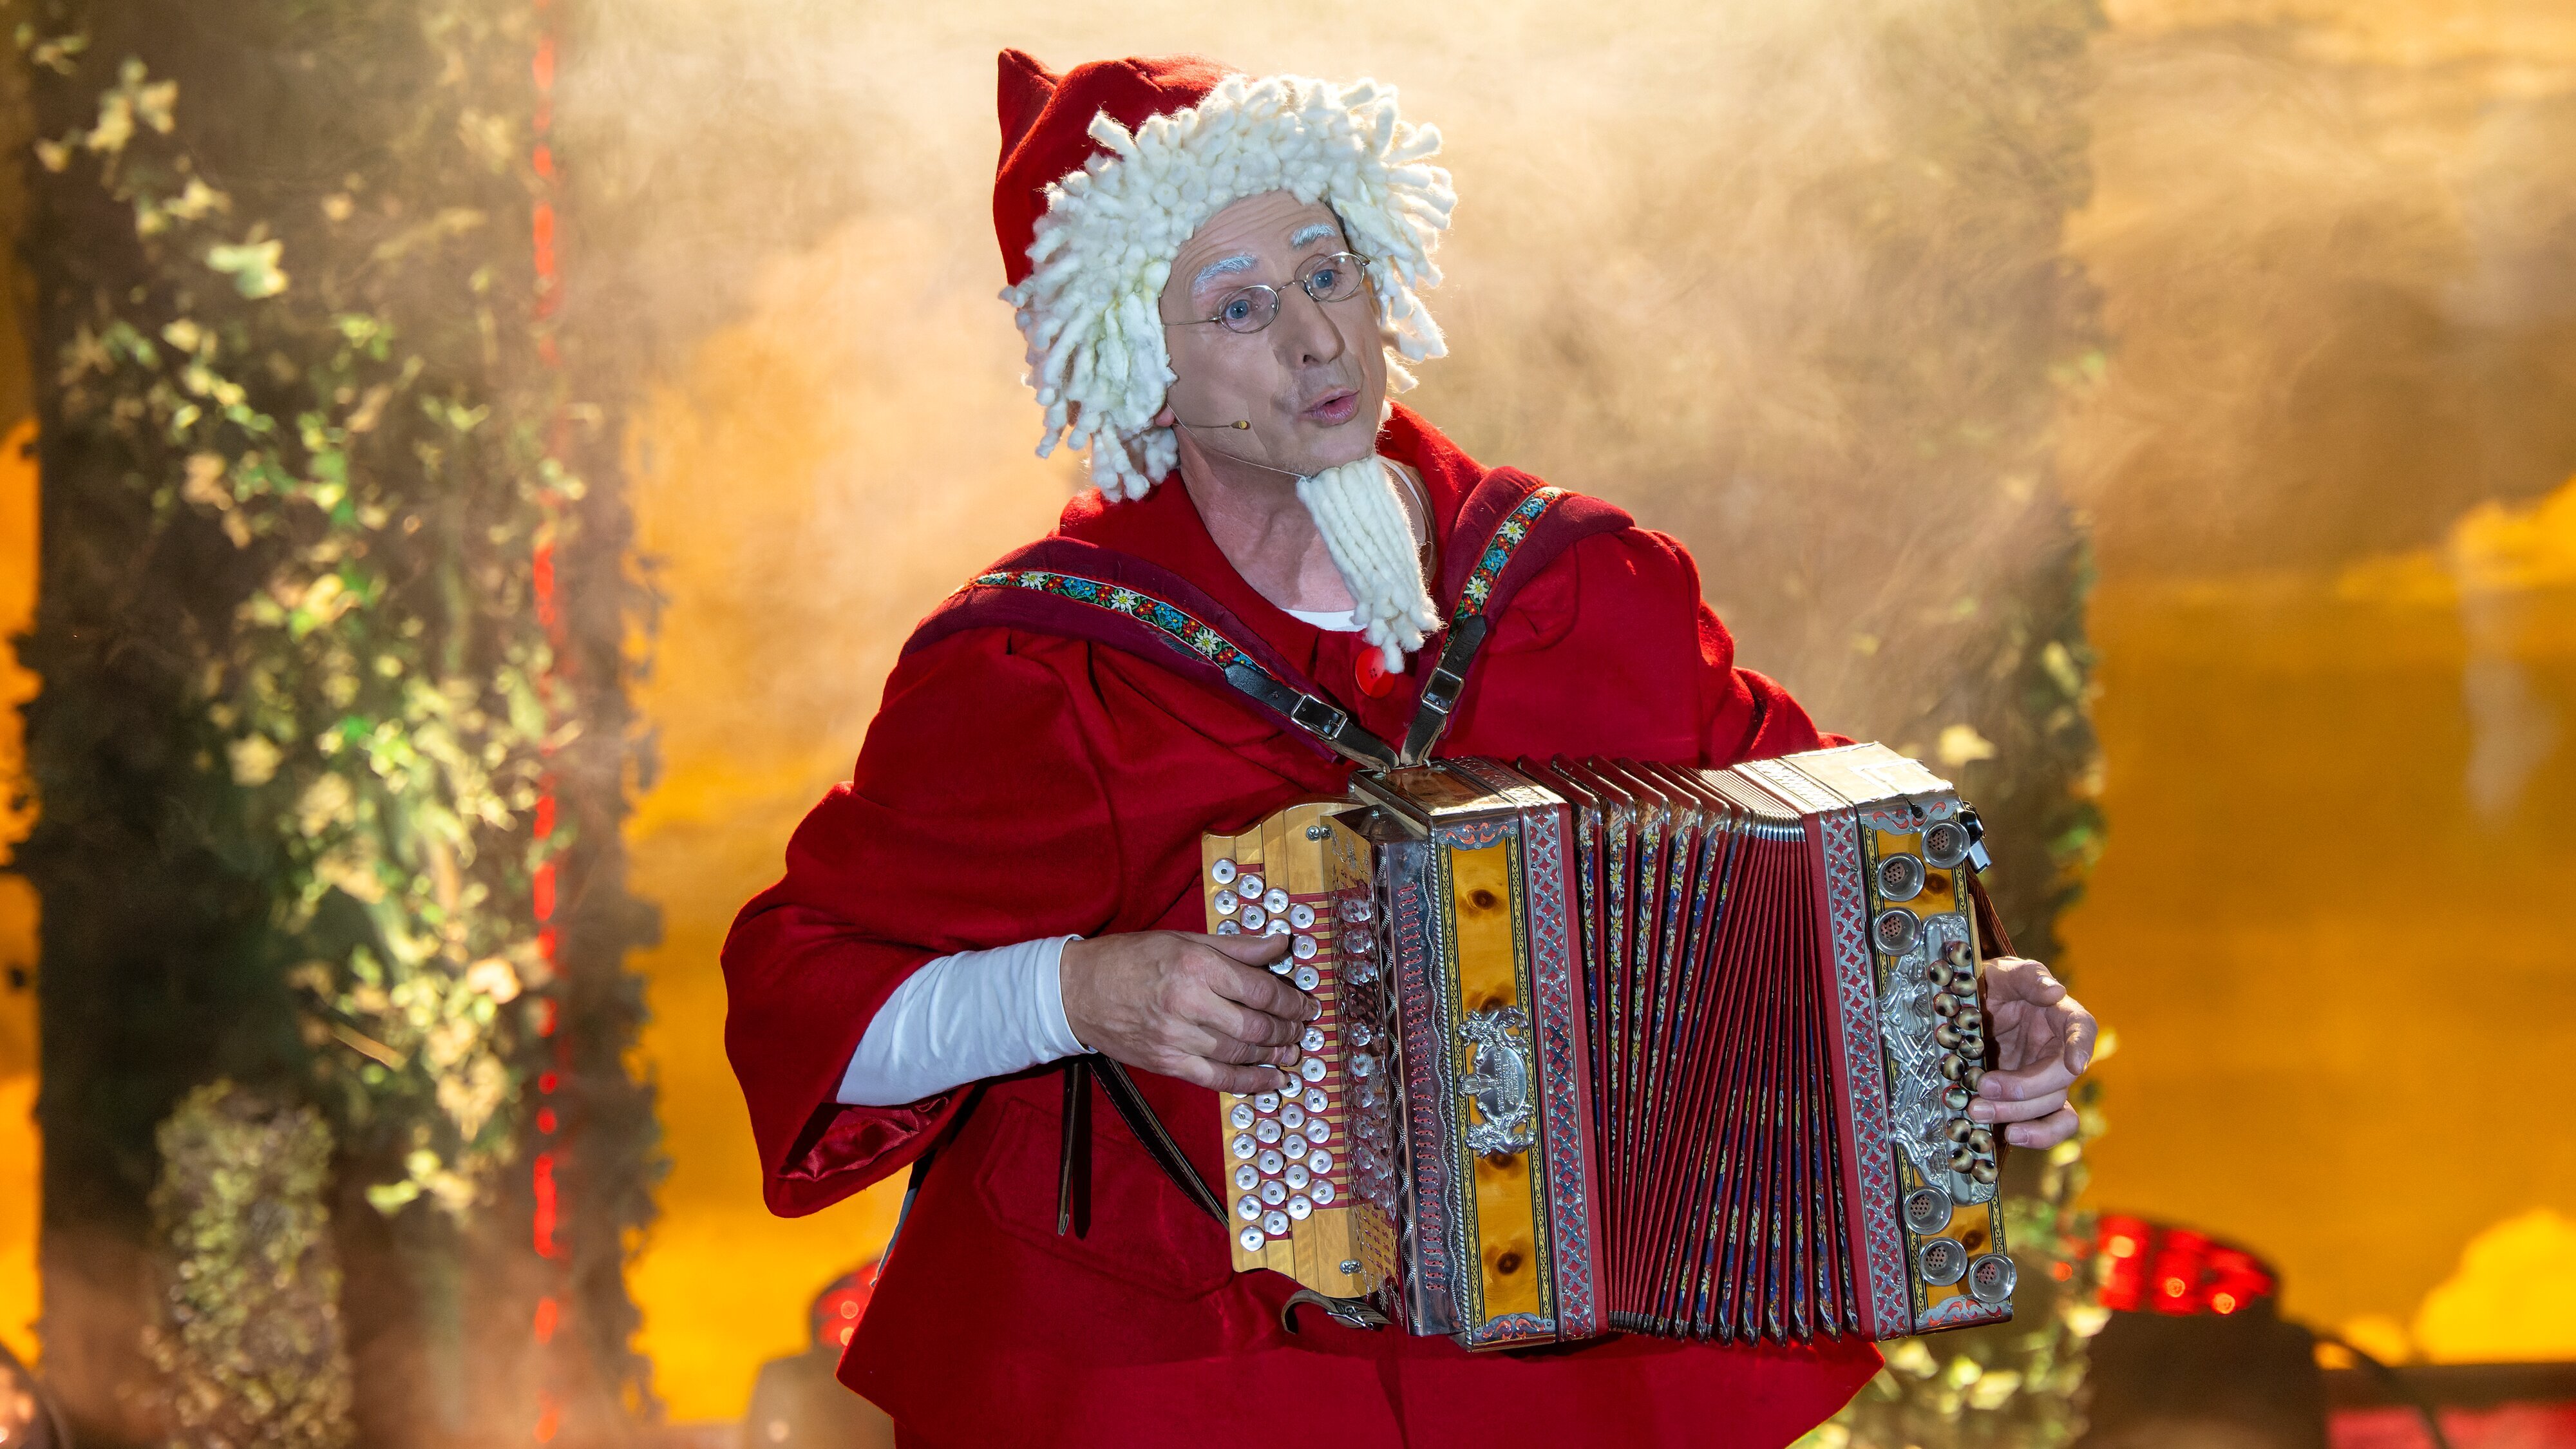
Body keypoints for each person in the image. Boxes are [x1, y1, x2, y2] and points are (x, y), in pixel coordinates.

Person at [722, 48, 2098, 1449]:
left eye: (1326, 273)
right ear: (1139, 367)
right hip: (1169, 1385)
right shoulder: (1042, 670)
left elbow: (1820, 868)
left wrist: (1964, 1005)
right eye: (1239, 309)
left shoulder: (1584, 587)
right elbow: (800, 989)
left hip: (1554, 1391)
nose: (1315, 342)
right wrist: (1076, 996)